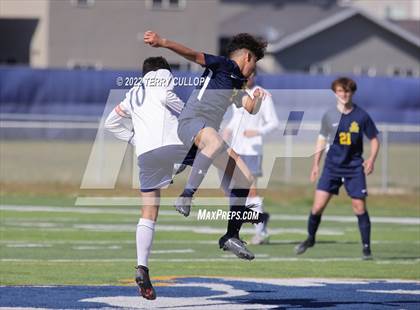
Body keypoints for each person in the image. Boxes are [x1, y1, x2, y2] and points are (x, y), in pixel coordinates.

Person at [144, 31, 268, 259]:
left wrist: (257, 98)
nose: (253, 72)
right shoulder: (222, 66)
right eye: (255, 64)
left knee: (245, 178)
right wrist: (163, 42)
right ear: (248, 57)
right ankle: (186, 195)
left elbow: (250, 107)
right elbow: (192, 54)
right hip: (191, 123)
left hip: (208, 134)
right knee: (214, 140)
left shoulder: (238, 82)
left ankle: (231, 235)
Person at [294, 77, 380, 260]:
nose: (344, 94)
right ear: (335, 93)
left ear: (352, 93)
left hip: (354, 168)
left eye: (347, 91)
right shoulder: (329, 115)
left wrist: (371, 159)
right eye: (340, 91)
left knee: (359, 207)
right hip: (331, 168)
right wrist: (315, 165)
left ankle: (366, 248)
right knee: (317, 207)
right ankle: (310, 238)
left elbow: (374, 139)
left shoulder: (361, 116)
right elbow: (321, 140)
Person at [223, 72, 279, 245]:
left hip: (252, 150)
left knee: (251, 191)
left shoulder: (262, 94)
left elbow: (274, 122)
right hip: (236, 150)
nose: (246, 77)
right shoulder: (238, 93)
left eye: (250, 74)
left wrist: (257, 131)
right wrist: (227, 130)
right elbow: (237, 118)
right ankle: (260, 217)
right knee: (232, 192)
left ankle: (261, 232)